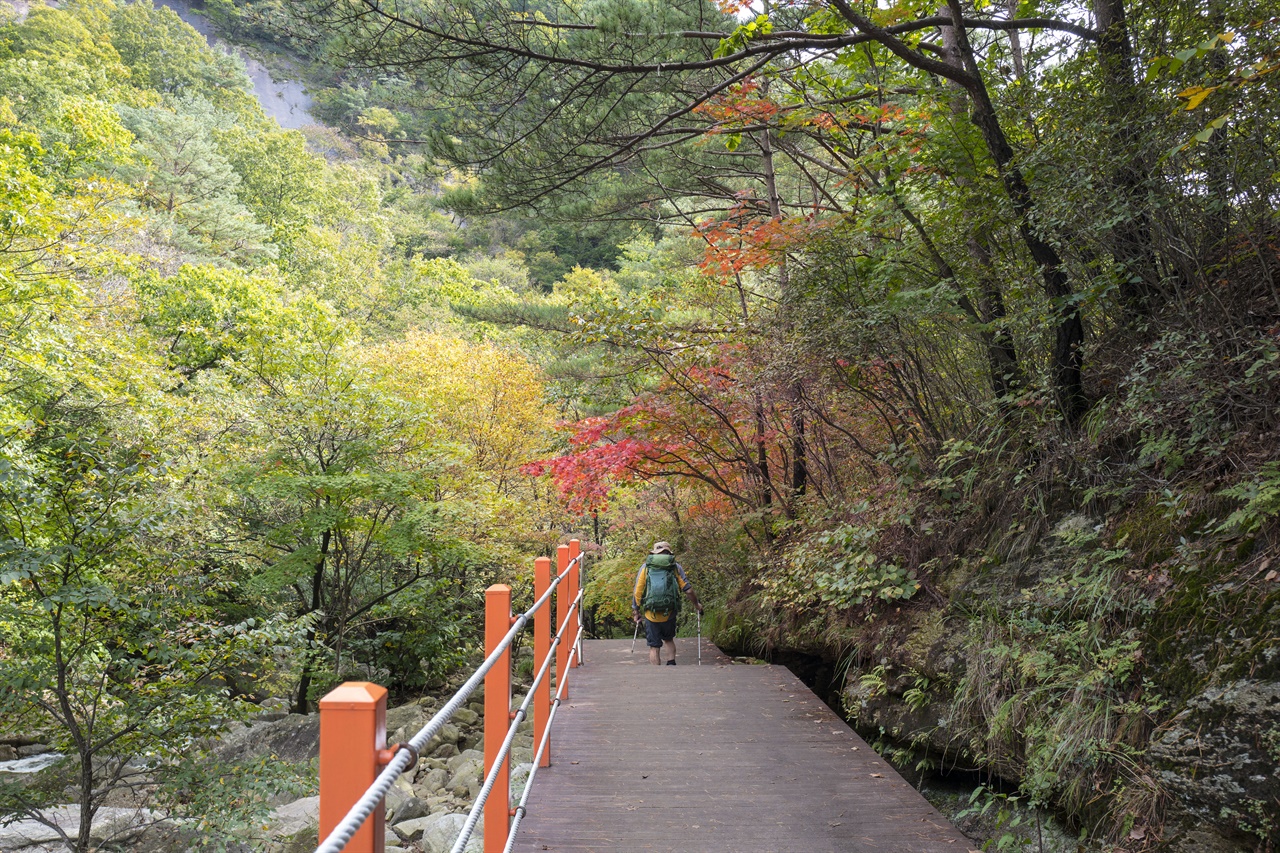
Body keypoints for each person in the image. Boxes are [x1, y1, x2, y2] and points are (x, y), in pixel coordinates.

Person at [632, 541, 702, 666]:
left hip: (650, 613)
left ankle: (657, 674)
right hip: (669, 612)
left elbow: (638, 591)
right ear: (669, 552)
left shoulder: (646, 567)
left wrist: (636, 611)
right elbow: (688, 590)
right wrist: (697, 604)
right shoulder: (675, 567)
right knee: (668, 639)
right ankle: (671, 665)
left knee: (654, 647)